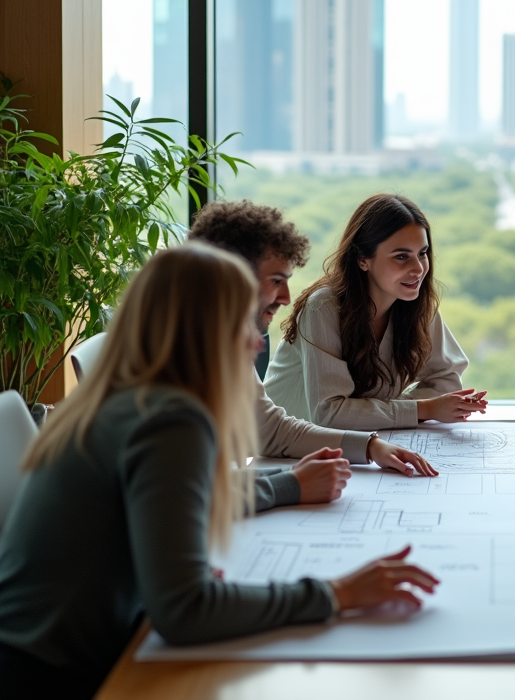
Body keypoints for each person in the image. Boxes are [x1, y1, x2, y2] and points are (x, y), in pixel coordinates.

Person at [0, 243, 439, 699]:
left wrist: (287, 484)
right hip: (59, 677)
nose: (256, 341)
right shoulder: (171, 420)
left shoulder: (127, 398)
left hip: (40, 650)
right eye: (242, 321)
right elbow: (185, 611)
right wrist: (338, 594)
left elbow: (182, 496)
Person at [188, 199, 437, 513]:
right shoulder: (176, 360)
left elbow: (272, 432)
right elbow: (180, 496)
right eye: (276, 281)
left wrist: (370, 446)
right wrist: (292, 484)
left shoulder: (220, 340)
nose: (287, 298)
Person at [265, 193, 486, 430]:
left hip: (354, 443)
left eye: (422, 253)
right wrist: (424, 409)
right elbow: (329, 413)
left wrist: (385, 411)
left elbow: (447, 380)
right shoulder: (322, 307)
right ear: (363, 260)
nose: (418, 268)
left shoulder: (416, 302)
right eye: (401, 256)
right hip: (282, 449)